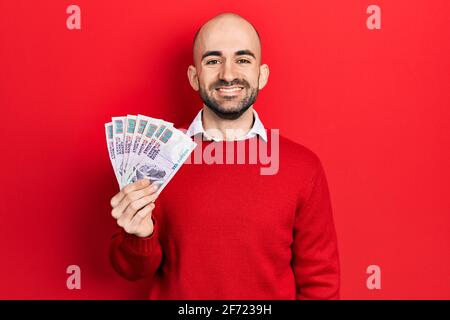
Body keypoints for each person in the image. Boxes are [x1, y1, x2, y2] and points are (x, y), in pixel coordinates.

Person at [109, 12, 340, 299]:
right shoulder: (157, 158)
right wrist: (139, 236)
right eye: (213, 60)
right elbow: (132, 271)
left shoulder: (303, 168)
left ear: (262, 74)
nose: (228, 74)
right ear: (194, 77)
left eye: (242, 60)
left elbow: (321, 283)